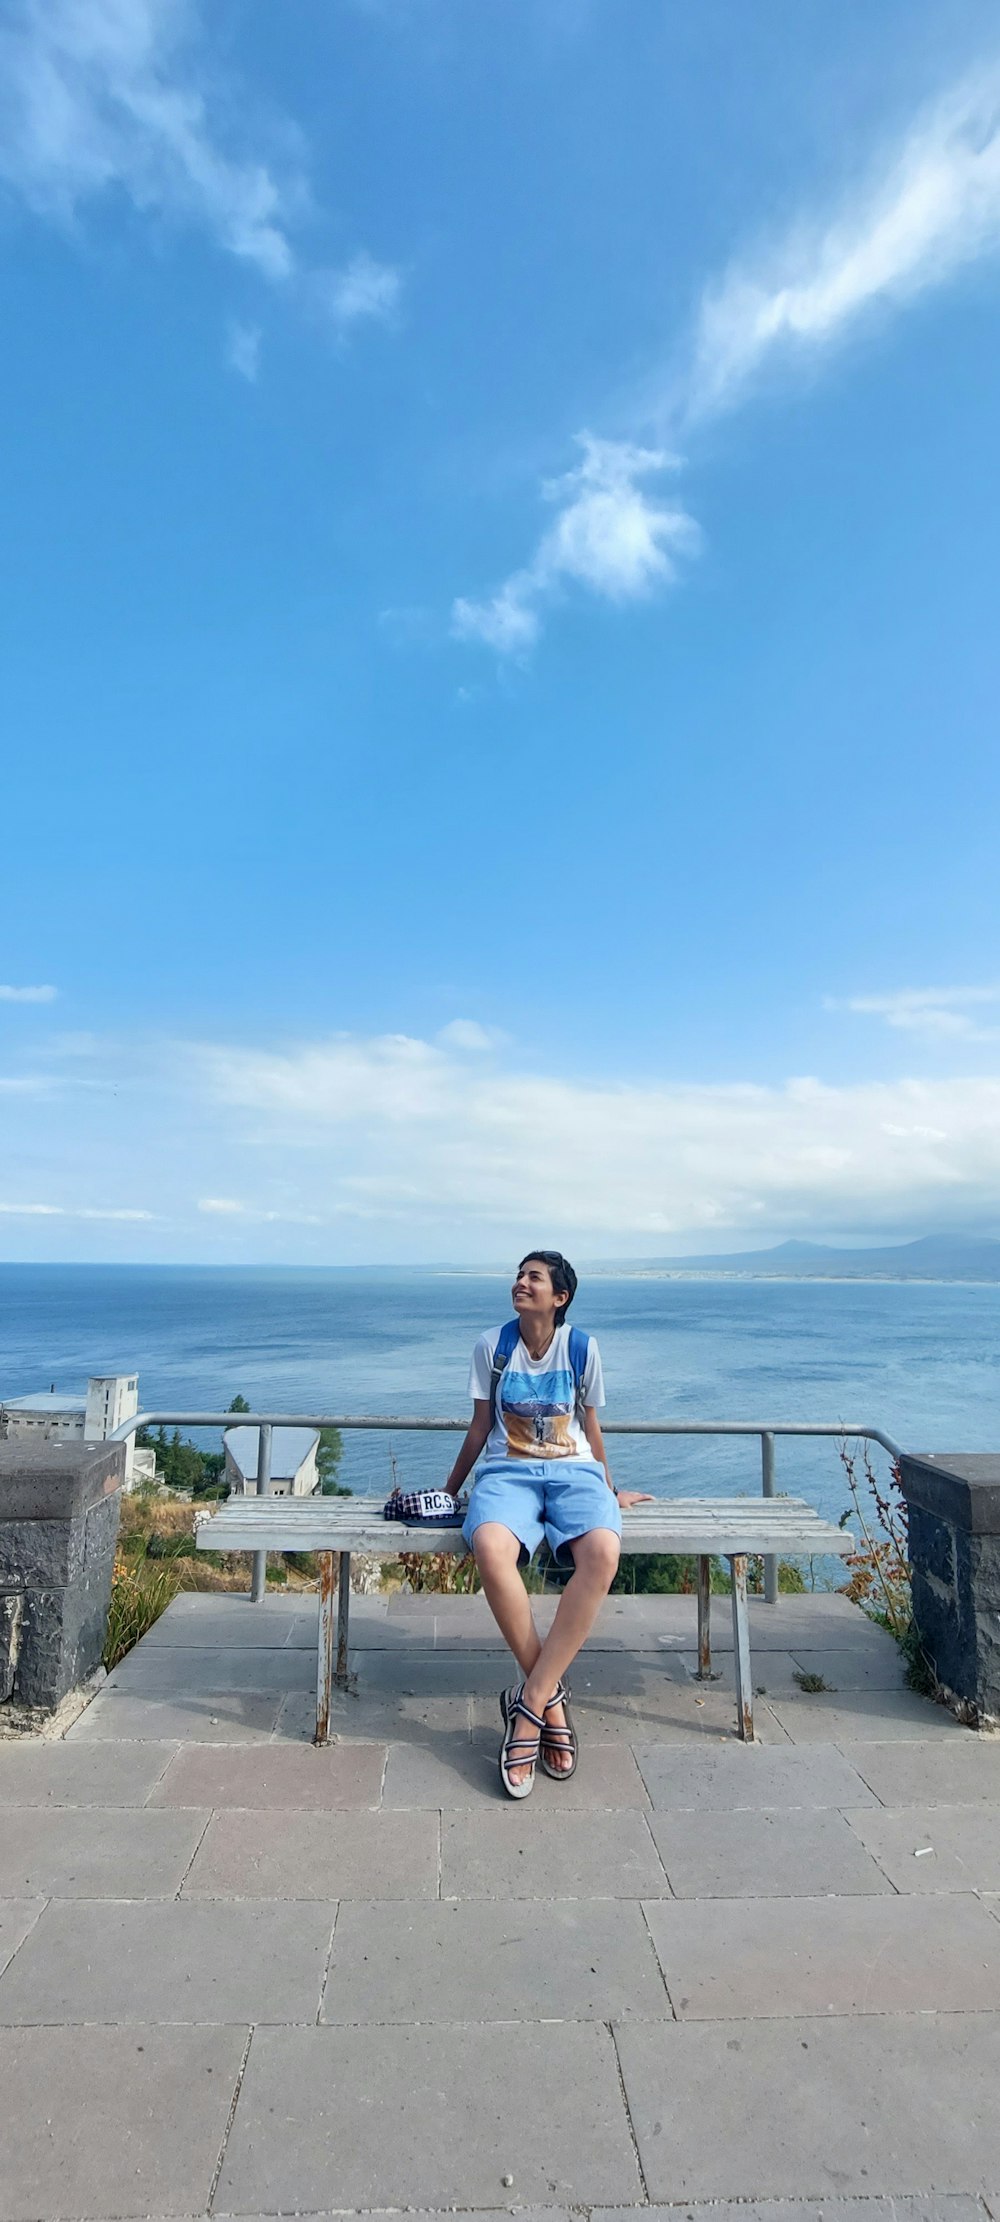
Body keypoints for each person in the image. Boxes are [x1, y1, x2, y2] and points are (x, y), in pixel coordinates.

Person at [443, 1249, 651, 1798]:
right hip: (506, 1473)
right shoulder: (493, 1346)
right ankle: (551, 1704)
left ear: (559, 1297)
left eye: (533, 1277)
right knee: (490, 1545)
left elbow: (590, 1425)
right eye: (518, 1274)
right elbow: (479, 1426)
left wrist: (608, 1488)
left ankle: (530, 1702)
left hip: (574, 1472)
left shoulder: (582, 1348)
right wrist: (447, 1494)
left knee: (603, 1552)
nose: (520, 1282)